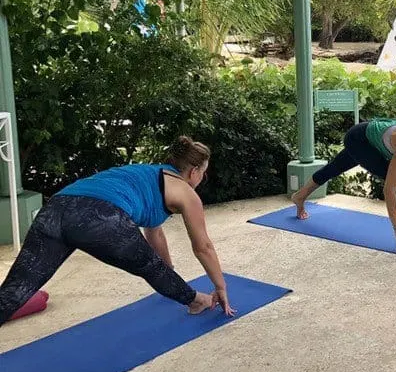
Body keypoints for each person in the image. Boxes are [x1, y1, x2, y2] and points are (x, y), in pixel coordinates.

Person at [0, 136, 234, 326]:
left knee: (15, 291)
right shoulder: (186, 192)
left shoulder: (147, 175)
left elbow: (155, 233)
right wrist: (220, 286)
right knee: (151, 267)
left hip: (57, 207)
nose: (202, 178)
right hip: (100, 216)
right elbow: (203, 247)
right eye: (203, 172)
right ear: (194, 172)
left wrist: (168, 272)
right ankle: (196, 301)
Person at [291, 118, 396, 253]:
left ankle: (300, 196)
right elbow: (390, 189)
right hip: (359, 139)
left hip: (371, 143)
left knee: (334, 168)